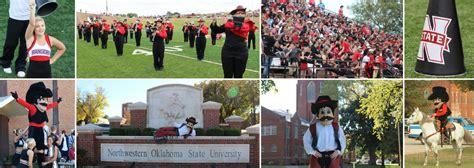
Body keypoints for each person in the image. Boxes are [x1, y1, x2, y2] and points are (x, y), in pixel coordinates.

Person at [11, 82, 62, 168]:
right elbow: (25, 104)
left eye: (45, 99)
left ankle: (41, 164)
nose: (44, 101)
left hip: (40, 130)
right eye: (42, 98)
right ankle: (28, 162)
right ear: (37, 99)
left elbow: (51, 105)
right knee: (30, 146)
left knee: (41, 147)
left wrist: (57, 102)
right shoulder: (33, 107)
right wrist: (17, 98)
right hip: (33, 129)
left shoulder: (44, 108)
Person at [25, 0, 66, 78]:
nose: (40, 28)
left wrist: (53, 60)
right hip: (32, 73)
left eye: (42, 25)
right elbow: (31, 23)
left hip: (47, 73)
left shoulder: (50, 39)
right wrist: (32, 8)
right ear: (34, 29)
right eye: (37, 26)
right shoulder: (29, 39)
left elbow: (62, 48)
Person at [303, 96, 346, 168]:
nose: (325, 115)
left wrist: (338, 151)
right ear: (317, 115)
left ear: (332, 113)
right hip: (317, 156)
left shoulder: (336, 127)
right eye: (322, 112)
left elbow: (342, 140)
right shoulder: (313, 127)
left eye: (328, 112)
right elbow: (306, 140)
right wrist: (312, 151)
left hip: (333, 156)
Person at [211, 5, 251, 78]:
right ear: (234, 14)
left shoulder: (247, 23)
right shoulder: (228, 24)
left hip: (241, 52)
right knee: (227, 75)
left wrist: (228, 23)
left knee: (239, 75)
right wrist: (214, 22)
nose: (240, 14)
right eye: (238, 13)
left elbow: (241, 28)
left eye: (242, 13)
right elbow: (217, 30)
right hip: (227, 52)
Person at [1, 0, 29, 77]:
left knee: (25, 44)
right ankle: (6, 62)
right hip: (15, 16)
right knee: (11, 42)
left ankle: (21, 66)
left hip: (30, 17)